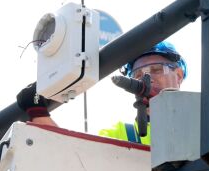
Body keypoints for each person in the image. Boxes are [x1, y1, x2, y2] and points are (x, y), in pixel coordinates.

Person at [16, 41, 187, 145]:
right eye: (138, 76)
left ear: (178, 75)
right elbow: (73, 157)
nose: (146, 81)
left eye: (156, 70)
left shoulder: (208, 122)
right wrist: (38, 112)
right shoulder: (123, 135)